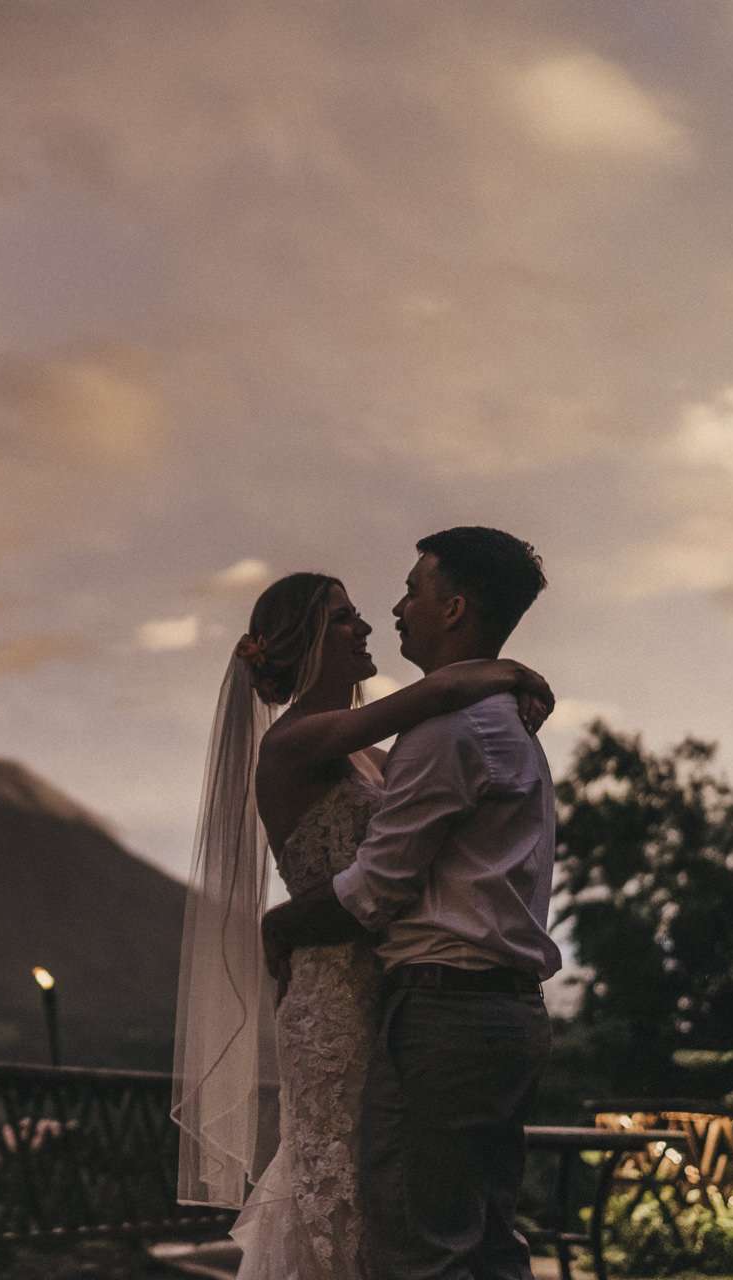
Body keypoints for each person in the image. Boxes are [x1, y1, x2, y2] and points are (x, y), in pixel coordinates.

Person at [172, 544, 553, 1280]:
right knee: (351, 1191)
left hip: (394, 989)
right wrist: (502, 672)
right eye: (345, 619)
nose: (370, 625)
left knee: (398, 1209)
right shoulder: (294, 742)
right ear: (308, 641)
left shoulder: (378, 755)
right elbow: (426, 700)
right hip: (335, 990)